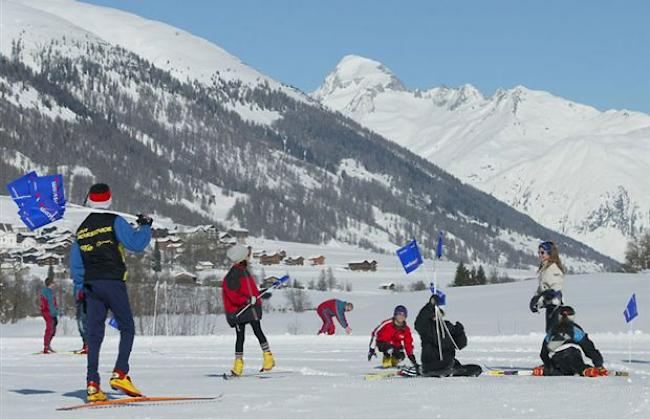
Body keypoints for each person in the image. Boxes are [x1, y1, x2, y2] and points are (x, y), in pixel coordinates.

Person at [70, 183, 152, 402]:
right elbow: (135, 244)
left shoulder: (82, 229)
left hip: (90, 285)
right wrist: (145, 226)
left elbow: (76, 265)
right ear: (109, 199)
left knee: (94, 335)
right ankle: (120, 373)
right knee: (127, 327)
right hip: (113, 282)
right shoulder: (114, 220)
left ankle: (92, 384)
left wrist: (79, 289)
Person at [222, 244, 274, 376]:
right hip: (240, 311)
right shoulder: (233, 274)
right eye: (247, 255)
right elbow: (232, 294)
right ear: (241, 257)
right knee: (240, 337)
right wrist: (246, 300)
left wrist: (260, 294)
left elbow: (250, 290)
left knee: (258, 331)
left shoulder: (245, 271)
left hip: (251, 309)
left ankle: (268, 358)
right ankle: (238, 365)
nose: (249, 257)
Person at [413, 295, 482, 377]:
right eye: (435, 313)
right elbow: (419, 323)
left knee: (476, 368)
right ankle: (435, 370)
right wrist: (430, 306)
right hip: (431, 362)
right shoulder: (427, 327)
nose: (437, 315)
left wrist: (460, 333)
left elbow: (460, 345)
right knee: (448, 363)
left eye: (439, 313)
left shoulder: (448, 326)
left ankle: (451, 371)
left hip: (448, 361)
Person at [534, 306, 607, 377]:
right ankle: (586, 370)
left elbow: (543, 354)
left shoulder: (552, 331)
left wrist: (548, 365)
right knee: (577, 366)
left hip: (557, 356)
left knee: (559, 370)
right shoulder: (576, 331)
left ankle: (546, 370)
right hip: (573, 353)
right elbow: (590, 350)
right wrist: (599, 364)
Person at [368, 305, 419, 371]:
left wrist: (413, 360)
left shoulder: (406, 329)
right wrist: (372, 349)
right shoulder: (387, 323)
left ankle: (393, 364)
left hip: (395, 346)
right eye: (399, 314)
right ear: (395, 315)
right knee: (390, 349)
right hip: (383, 343)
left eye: (403, 315)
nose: (401, 316)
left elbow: (408, 344)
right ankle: (386, 363)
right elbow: (375, 333)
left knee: (401, 355)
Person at [529, 241, 565, 332]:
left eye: (542, 252)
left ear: (550, 253)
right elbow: (542, 287)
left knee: (553, 333)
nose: (540, 255)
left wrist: (548, 295)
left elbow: (556, 287)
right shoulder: (545, 268)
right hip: (549, 305)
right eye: (539, 253)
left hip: (554, 306)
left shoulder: (553, 268)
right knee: (550, 332)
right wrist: (536, 298)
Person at [40, 277, 58, 354]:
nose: (54, 284)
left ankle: (48, 345)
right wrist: (47, 311)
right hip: (48, 313)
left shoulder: (51, 292)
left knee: (53, 330)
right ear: (49, 284)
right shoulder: (45, 292)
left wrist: (56, 311)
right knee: (49, 329)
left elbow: (53, 303)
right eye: (52, 283)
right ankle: (46, 346)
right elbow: (45, 303)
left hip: (53, 313)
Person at [74, 278, 88, 354]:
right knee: (80, 325)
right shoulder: (76, 285)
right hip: (79, 304)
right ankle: (85, 344)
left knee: (83, 325)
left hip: (84, 304)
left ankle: (87, 345)